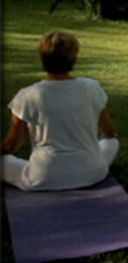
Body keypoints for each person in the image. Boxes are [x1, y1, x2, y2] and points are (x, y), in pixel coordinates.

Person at [2, 31, 119, 191]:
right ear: (74, 57)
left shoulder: (27, 95)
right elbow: (109, 133)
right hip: (91, 173)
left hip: (43, 176)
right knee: (111, 143)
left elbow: (11, 145)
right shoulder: (91, 87)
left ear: (42, 57)